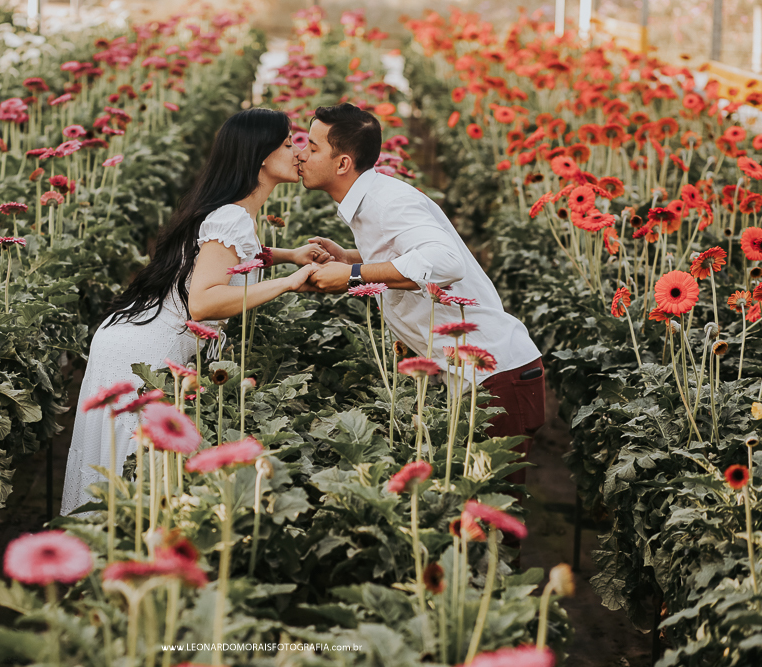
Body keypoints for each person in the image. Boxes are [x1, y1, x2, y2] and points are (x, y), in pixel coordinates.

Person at [61, 108, 329, 516]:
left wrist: (288, 256)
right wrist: (289, 282)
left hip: (130, 337)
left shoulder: (227, 209)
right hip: (145, 354)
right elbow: (202, 301)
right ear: (261, 155)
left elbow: (230, 258)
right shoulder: (233, 215)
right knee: (137, 481)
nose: (298, 152)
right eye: (288, 143)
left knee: (124, 475)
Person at [297, 103, 544, 485]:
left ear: (342, 163)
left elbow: (445, 262)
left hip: (496, 376)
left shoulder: (388, 202)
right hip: (479, 374)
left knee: (492, 520)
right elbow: (410, 256)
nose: (301, 154)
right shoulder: (374, 199)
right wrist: (351, 257)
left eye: (312, 147)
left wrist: (352, 273)